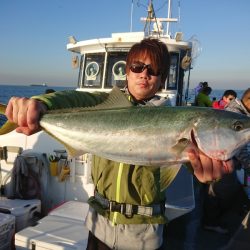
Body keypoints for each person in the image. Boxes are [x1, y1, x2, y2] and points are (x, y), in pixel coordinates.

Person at [5, 38, 234, 250]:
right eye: (137, 67)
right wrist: (39, 104)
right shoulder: (105, 102)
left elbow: (191, 168)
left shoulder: (173, 115)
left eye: (153, 70)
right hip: (98, 225)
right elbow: (71, 98)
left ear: (162, 78)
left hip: (143, 235)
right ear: (127, 71)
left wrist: (203, 173)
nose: (144, 74)